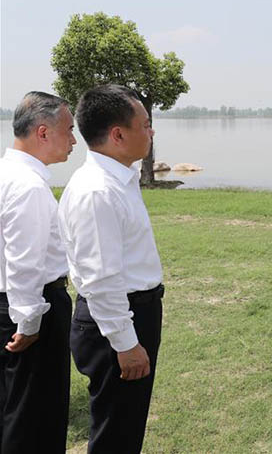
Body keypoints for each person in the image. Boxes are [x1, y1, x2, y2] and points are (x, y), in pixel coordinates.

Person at [58, 84, 164, 453]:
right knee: (115, 433)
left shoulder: (120, 178)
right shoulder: (97, 191)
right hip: (116, 321)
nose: (151, 132)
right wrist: (125, 342)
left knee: (126, 425)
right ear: (118, 134)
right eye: (146, 124)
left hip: (133, 312)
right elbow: (100, 278)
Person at [0, 92, 76, 453]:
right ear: (43, 132)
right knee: (35, 419)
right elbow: (23, 262)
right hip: (32, 307)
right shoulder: (27, 185)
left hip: (10, 304)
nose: (75, 141)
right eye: (70, 131)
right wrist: (29, 323)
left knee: (12, 411)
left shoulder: (7, 173)